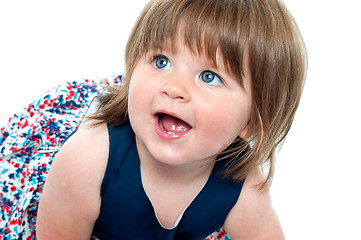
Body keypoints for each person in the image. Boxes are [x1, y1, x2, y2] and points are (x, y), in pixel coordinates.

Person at [33, 0, 307, 239]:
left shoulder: (244, 191)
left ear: (252, 122)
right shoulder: (86, 161)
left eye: (209, 77)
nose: (174, 88)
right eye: (161, 61)